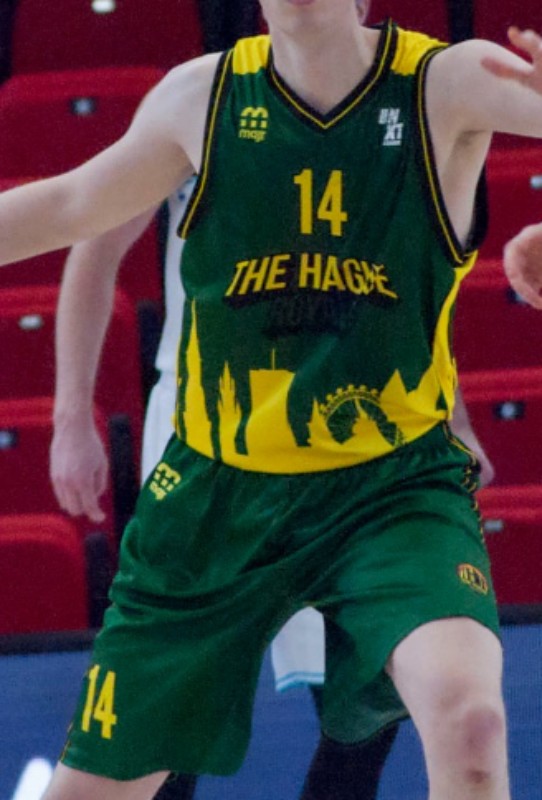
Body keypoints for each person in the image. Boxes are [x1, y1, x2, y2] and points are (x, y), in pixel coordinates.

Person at [2, 3, 542, 798]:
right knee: (94, 788)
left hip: (391, 485)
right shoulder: (200, 96)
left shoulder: (447, 80)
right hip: (216, 493)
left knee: (472, 723)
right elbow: (71, 206)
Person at [50, 184, 494, 800]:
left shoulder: (394, 130)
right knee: (167, 717)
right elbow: (90, 239)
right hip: (208, 430)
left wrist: (454, 419)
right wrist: (71, 417)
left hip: (352, 426)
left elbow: (409, 286)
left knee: (364, 712)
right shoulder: (196, 123)